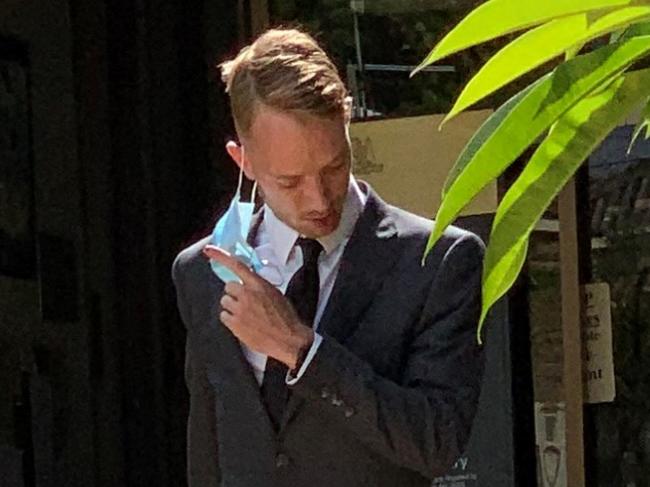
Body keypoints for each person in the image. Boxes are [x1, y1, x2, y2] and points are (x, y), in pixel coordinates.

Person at [172, 27, 485, 487]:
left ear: (348, 124)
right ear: (244, 163)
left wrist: (302, 351)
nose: (319, 199)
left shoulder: (437, 262)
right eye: (290, 181)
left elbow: (437, 442)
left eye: (334, 167)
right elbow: (210, 449)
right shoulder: (203, 271)